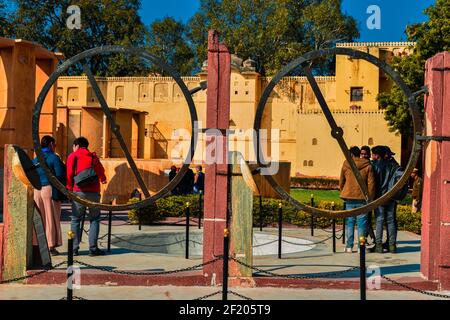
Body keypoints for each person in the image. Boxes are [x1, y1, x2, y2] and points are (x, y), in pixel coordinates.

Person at [66, 137, 107, 256]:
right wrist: (103, 179)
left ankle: (73, 248)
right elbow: (101, 172)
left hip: (79, 191)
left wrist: (69, 189)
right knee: (94, 219)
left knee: (75, 220)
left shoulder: (73, 156)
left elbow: (69, 173)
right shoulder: (93, 156)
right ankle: (93, 248)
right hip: (94, 192)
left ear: (76, 146)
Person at [33, 136, 66, 256]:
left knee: (39, 219)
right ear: (51, 144)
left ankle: (37, 245)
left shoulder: (36, 159)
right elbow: (59, 175)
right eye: (55, 144)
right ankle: (51, 246)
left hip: (37, 190)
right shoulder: (54, 158)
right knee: (51, 218)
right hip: (49, 190)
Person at [339, 146, 376, 253]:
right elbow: (371, 184)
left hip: (349, 197)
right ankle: (361, 247)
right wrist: (370, 197)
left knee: (350, 223)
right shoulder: (367, 165)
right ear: (359, 154)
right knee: (362, 224)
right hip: (362, 198)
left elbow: (341, 181)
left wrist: (344, 191)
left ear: (351, 154)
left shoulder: (346, 164)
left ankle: (349, 246)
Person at [371, 145, 399, 253]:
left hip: (379, 197)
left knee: (379, 220)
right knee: (391, 221)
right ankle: (392, 245)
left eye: (373, 154)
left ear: (377, 155)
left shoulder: (375, 166)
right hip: (391, 197)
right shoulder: (394, 166)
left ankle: (378, 245)